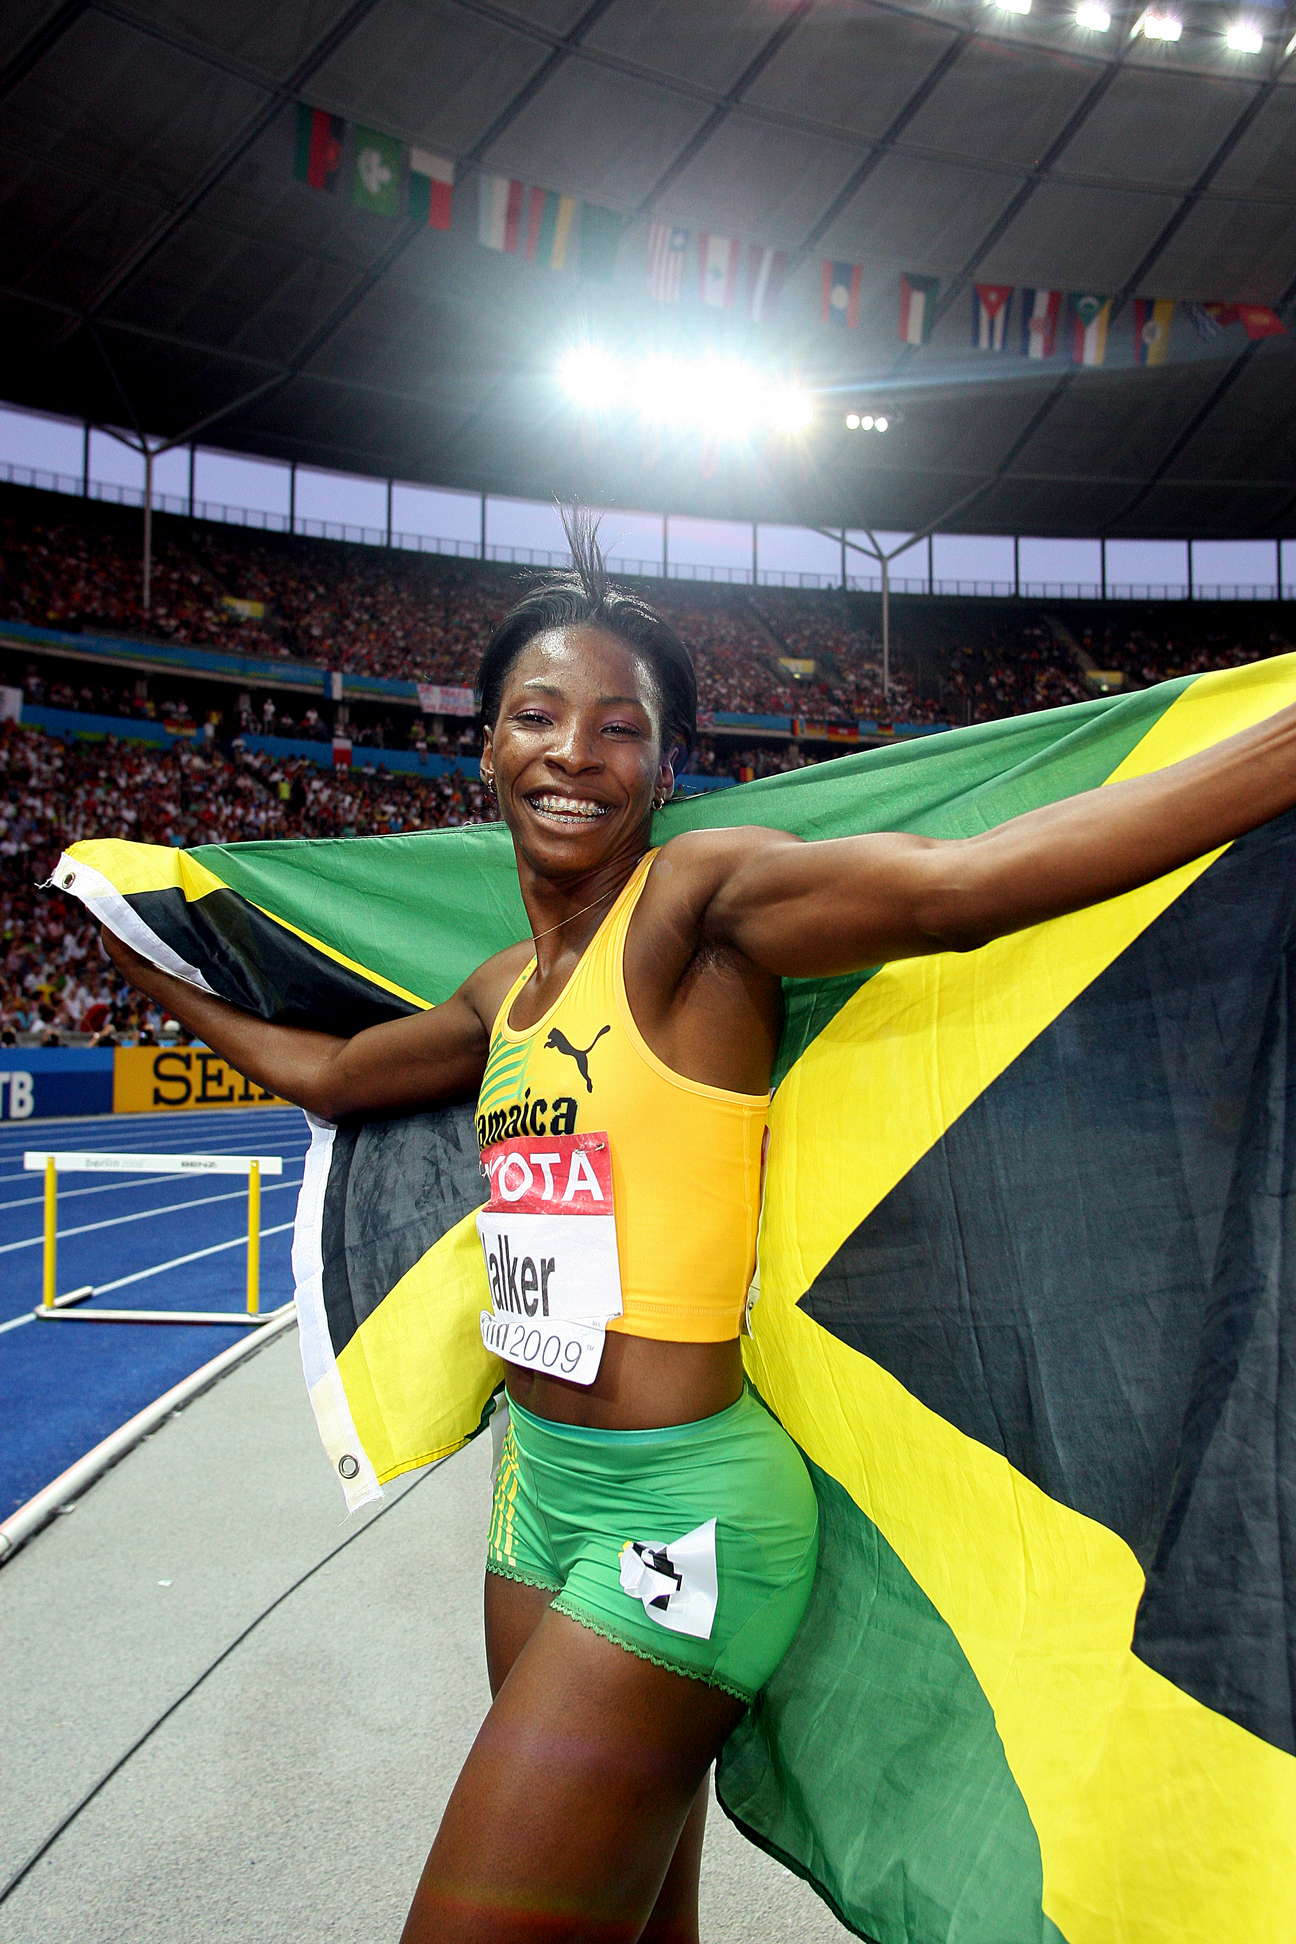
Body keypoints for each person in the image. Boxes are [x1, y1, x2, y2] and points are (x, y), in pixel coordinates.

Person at [101, 517, 1296, 1944]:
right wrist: (132, 936)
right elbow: (334, 1074)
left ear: (664, 769)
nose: (573, 753)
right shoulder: (501, 993)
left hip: (686, 1513)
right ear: (483, 748)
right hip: (534, 1496)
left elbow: (964, 890)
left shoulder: (695, 911)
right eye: (537, 717)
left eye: (620, 728)